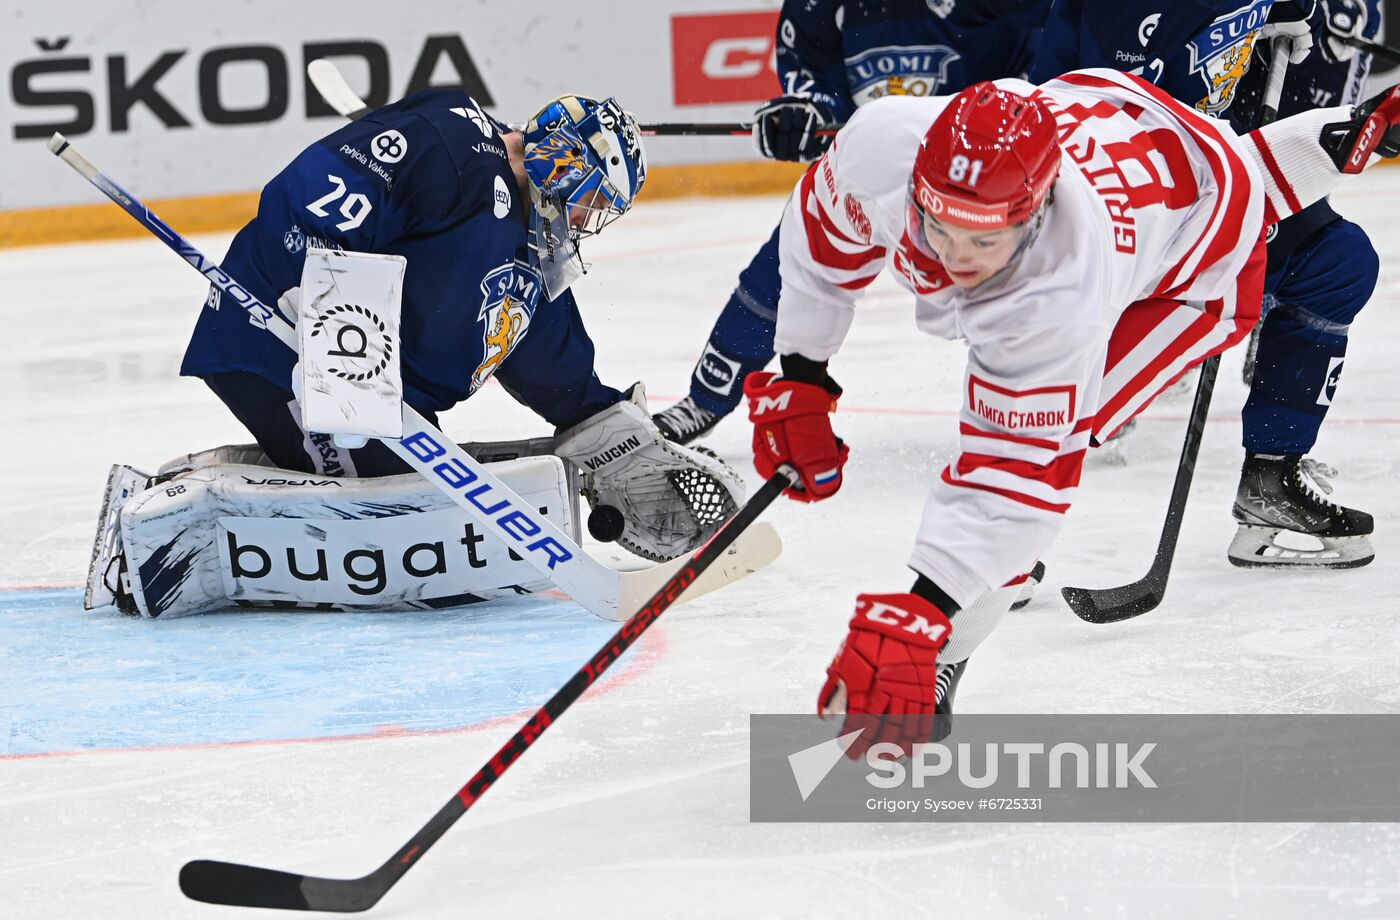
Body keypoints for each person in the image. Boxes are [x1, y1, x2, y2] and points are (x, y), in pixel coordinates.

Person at [742, 70, 1400, 754]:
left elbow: (1014, 484)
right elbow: (821, 237)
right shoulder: (883, 141)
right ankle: (976, 579)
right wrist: (803, 374)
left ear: (1036, 208)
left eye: (984, 240)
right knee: (1233, 174)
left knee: (1063, 439)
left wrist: (926, 615)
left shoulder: (1061, 287)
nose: (955, 257)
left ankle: (950, 656)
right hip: (1118, 109)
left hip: (1196, 271)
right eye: (939, 226)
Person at [84, 88, 745, 620]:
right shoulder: (452, 144)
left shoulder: (530, 244)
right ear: (562, 163)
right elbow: (309, 193)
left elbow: (538, 348)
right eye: (591, 202)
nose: (584, 222)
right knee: (383, 512)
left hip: (376, 396)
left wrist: (597, 426)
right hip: (285, 347)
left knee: (426, 504)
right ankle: (158, 536)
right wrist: (320, 311)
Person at [1032, 0, 1381, 568]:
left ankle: (1271, 476)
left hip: (1207, 174)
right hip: (1123, 190)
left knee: (1333, 260)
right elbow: (1124, 90)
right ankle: (1004, 527)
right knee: (1073, 389)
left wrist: (1290, 20)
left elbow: (1295, 63)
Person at [651, 0, 1051, 445]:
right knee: (788, 267)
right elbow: (812, 70)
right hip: (871, 165)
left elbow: (1037, 80)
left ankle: (1093, 384)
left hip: (977, 182)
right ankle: (706, 398)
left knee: (1039, 273)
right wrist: (810, 113)